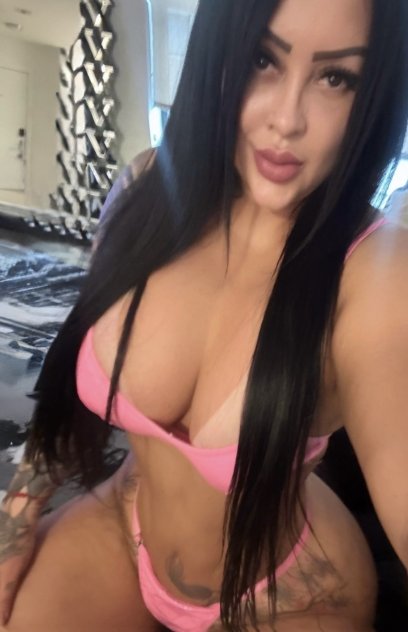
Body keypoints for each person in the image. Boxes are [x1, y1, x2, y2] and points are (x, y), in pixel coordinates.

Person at [0, 0, 407, 630]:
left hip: (291, 593)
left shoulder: (377, 271)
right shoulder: (146, 188)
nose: (286, 119)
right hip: (124, 528)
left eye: (336, 77)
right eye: (262, 59)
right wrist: (15, 529)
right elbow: (63, 390)